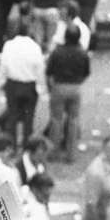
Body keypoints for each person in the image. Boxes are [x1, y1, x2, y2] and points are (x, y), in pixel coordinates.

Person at [44, 24, 90, 162]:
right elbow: (86, 73)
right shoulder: (83, 53)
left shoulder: (57, 52)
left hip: (59, 86)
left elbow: (48, 72)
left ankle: (52, 153)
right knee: (73, 121)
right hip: (75, 87)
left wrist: (51, 86)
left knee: (56, 120)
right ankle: (71, 155)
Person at [0, 21, 43, 150]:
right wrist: (40, 87)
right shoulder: (35, 47)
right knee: (29, 118)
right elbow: (39, 68)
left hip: (12, 84)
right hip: (29, 86)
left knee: (13, 115)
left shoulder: (9, 45)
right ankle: (26, 146)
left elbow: (4, 66)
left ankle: (12, 146)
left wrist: (1, 82)